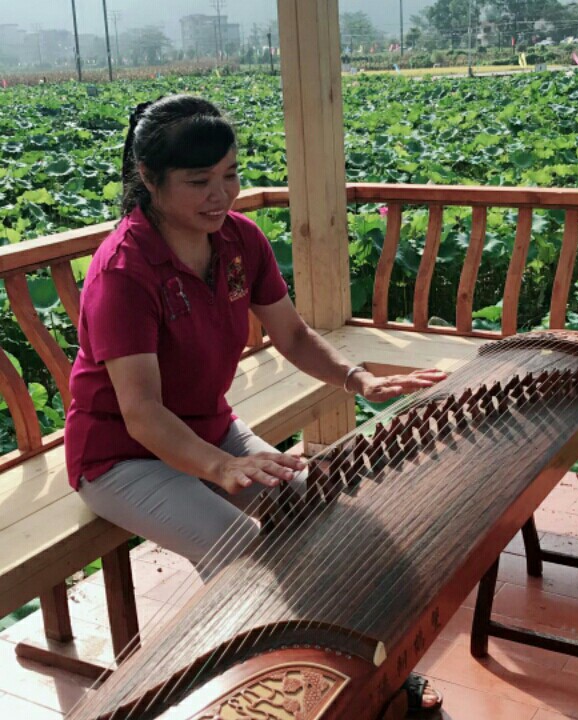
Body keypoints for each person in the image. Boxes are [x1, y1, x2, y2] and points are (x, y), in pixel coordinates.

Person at [64, 95, 444, 714]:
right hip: (121, 457)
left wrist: (357, 379)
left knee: (318, 510)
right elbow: (142, 412)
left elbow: (291, 334)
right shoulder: (123, 272)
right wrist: (221, 467)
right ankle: (251, 695)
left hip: (210, 431)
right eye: (199, 182)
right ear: (149, 179)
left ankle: (361, 684)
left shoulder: (239, 240)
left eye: (230, 175)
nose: (221, 195)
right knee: (238, 546)